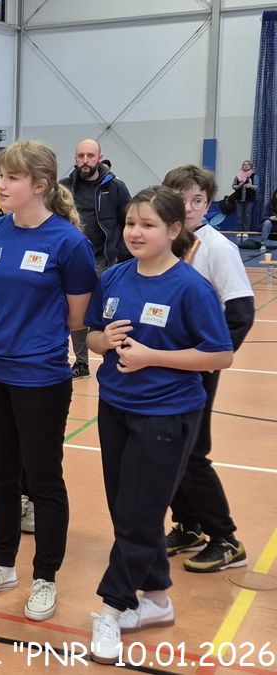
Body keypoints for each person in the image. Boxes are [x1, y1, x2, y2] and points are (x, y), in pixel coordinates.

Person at [84, 186, 233, 663]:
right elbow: (90, 337)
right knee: (126, 508)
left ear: (173, 230)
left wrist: (153, 357)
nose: (135, 232)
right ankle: (157, 599)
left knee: (139, 512)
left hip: (167, 414)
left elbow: (220, 355)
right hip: (115, 408)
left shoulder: (191, 287)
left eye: (147, 225)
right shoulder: (114, 277)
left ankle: (114, 606)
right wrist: (102, 340)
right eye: (131, 223)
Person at [0, 140, 97, 623]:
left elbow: (77, 318)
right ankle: (2, 564)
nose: (1, 185)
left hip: (40, 379)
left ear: (40, 185)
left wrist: (34, 337)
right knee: (0, 476)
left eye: (11, 178)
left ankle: (45, 577)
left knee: (44, 480)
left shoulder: (69, 243)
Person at [160, 165, 254, 573]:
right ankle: (189, 525)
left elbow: (241, 313)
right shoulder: (164, 244)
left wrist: (209, 359)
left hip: (195, 368)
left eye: (197, 200)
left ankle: (226, 538)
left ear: (208, 203)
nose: (188, 207)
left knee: (192, 452)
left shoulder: (217, 248)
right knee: (168, 449)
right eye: (180, 199)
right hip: (165, 365)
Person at [59, 139, 131, 380]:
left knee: (107, 314)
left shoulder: (115, 187)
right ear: (75, 158)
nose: (85, 161)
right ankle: (80, 362)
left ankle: (115, 358)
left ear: (99, 158)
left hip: (106, 260)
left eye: (90, 156)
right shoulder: (65, 187)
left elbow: (128, 221)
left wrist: (122, 256)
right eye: (81, 156)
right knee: (74, 312)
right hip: (74, 259)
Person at [231, 160, 257, 230]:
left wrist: (251, 186)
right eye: (244, 164)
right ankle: (240, 231)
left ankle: (246, 232)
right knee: (239, 216)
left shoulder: (254, 175)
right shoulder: (238, 176)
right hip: (239, 198)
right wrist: (238, 186)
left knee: (247, 216)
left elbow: (256, 187)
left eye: (248, 164)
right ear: (242, 166)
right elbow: (233, 186)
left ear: (251, 166)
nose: (246, 166)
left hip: (249, 199)